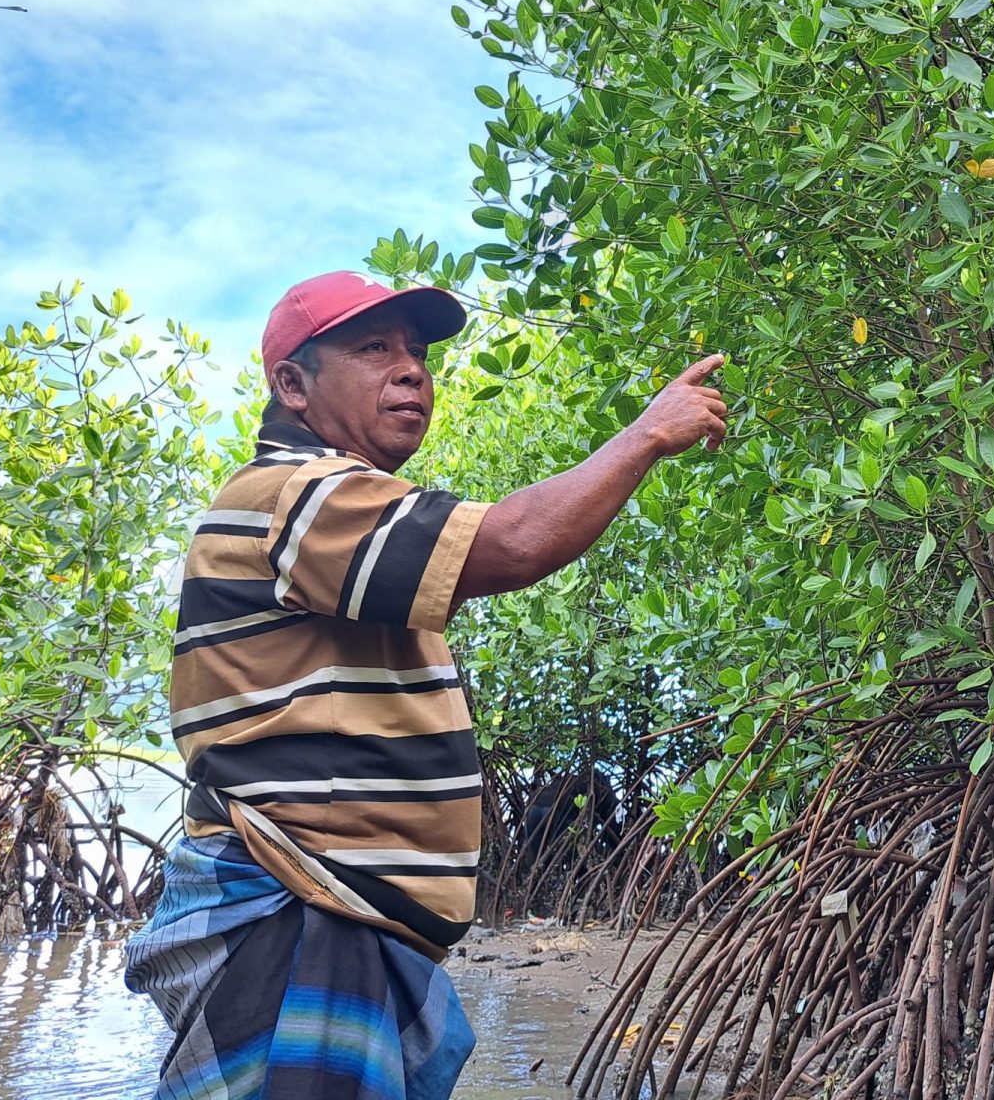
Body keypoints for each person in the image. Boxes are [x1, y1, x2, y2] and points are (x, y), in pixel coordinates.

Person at [124, 270, 727, 1099]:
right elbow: (513, 543)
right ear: (291, 385)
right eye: (374, 348)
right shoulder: (297, 495)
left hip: (337, 912)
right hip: (301, 910)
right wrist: (645, 436)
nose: (411, 370)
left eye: (417, 352)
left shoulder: (333, 503)